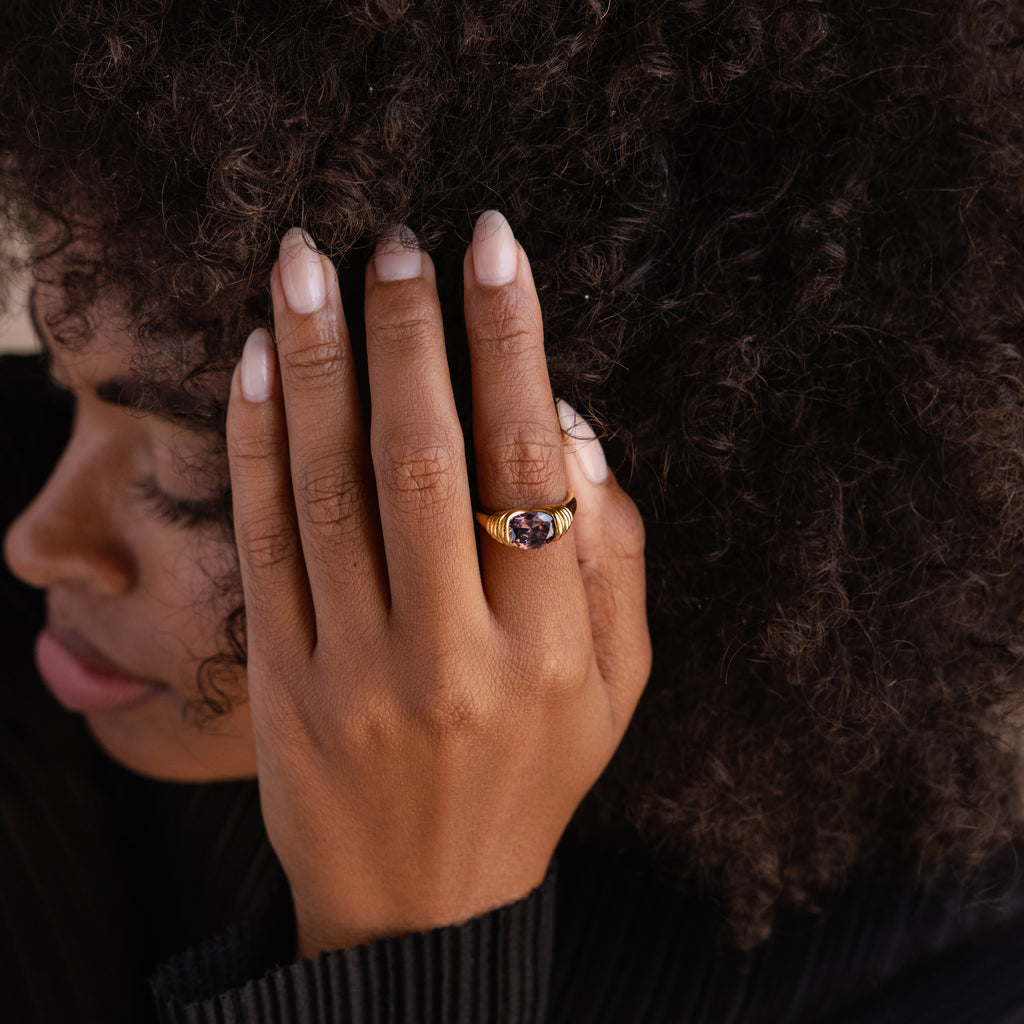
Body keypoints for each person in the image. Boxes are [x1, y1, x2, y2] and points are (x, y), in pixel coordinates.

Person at [2, 1, 1024, 1021]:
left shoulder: (937, 965)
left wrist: (403, 938)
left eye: (190, 477)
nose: (33, 540)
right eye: (64, 387)